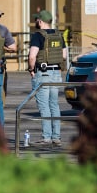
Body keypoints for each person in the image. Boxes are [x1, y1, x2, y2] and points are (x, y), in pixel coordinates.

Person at [27, 9, 68, 147]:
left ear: (40, 21)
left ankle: (46, 137)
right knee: (54, 105)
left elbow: (32, 56)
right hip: (56, 73)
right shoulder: (59, 35)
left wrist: (31, 69)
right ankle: (56, 137)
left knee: (44, 106)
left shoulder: (38, 36)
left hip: (42, 73)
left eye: (36, 20)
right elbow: (64, 56)